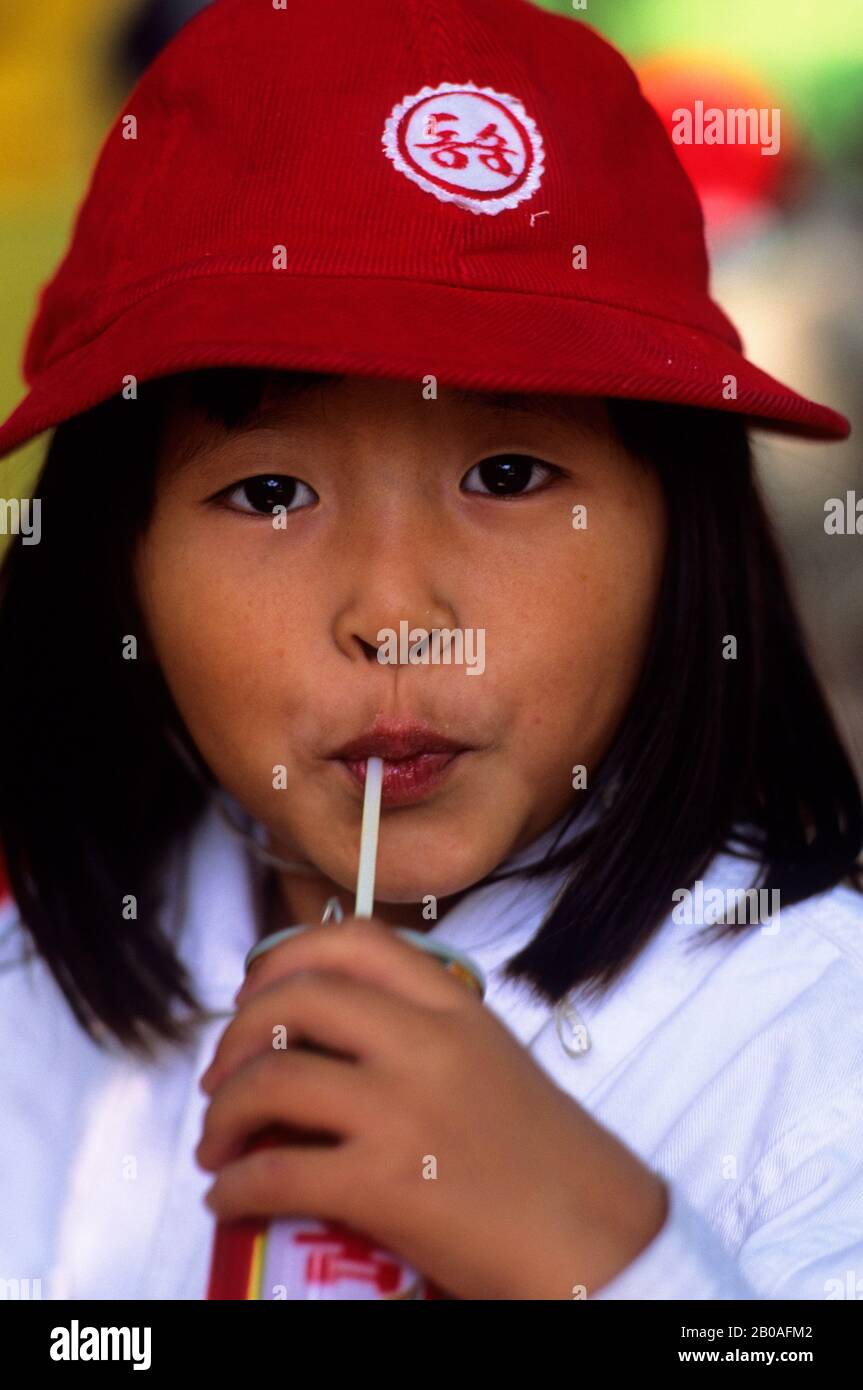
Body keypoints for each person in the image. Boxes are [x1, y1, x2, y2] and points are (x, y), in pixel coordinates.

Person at [0, 0, 860, 1302]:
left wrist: (602, 1254)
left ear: (684, 536)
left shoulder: (815, 1040)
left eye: (510, 472)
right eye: (271, 492)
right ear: (116, 560)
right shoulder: (37, 983)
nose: (396, 610)